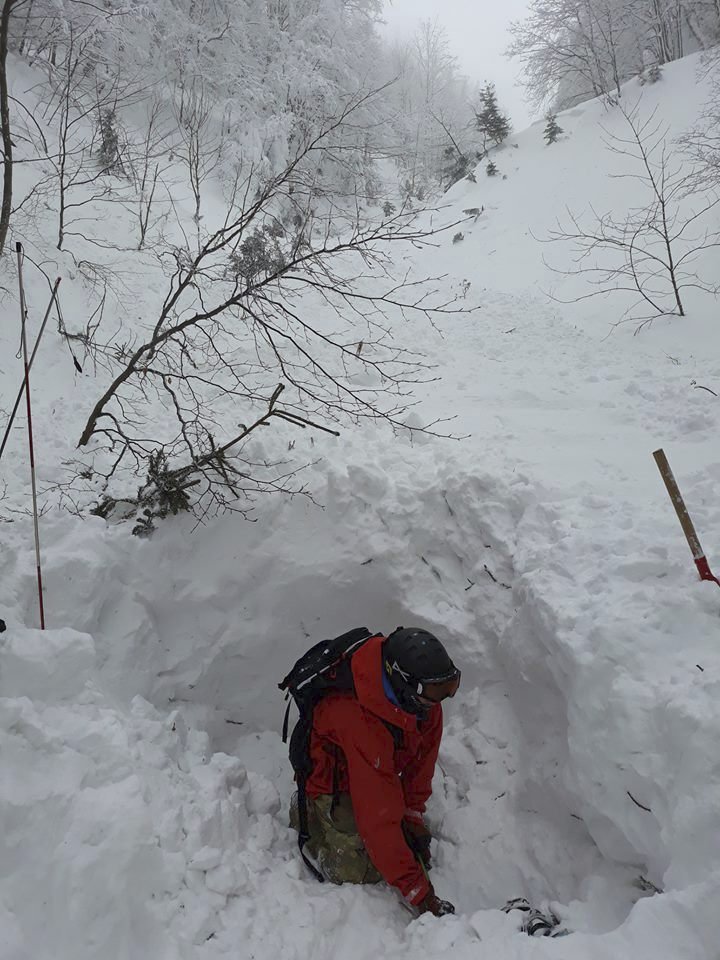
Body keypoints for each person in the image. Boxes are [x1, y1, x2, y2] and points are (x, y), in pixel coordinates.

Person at [290, 627, 460, 916]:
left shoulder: (423, 702)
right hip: (333, 778)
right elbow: (378, 817)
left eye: (447, 687)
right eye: (434, 691)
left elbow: (423, 761)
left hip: (376, 764)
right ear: (404, 684)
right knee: (358, 870)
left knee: (391, 844)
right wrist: (418, 892)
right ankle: (308, 810)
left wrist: (413, 815)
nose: (440, 699)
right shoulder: (359, 720)